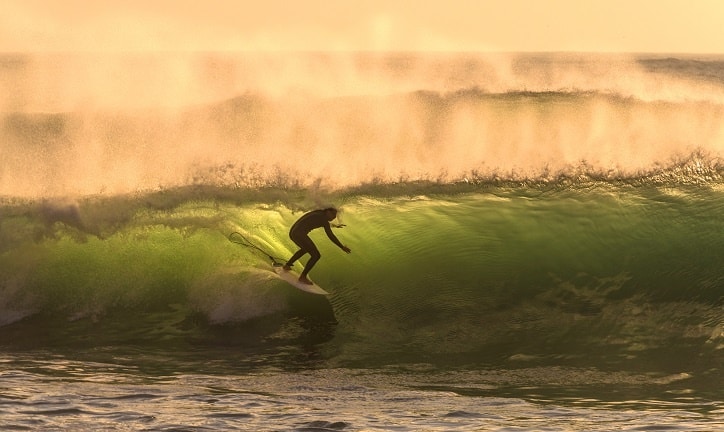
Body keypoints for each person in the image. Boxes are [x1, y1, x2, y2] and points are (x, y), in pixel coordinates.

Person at [283, 207, 351, 285]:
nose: (334, 217)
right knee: (316, 255)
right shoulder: (323, 219)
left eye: (335, 215)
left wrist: (334, 226)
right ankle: (303, 277)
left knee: (305, 249)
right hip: (299, 234)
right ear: (327, 211)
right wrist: (342, 247)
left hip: (293, 232)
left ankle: (287, 265)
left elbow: (321, 222)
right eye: (333, 214)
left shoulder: (319, 213)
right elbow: (330, 235)